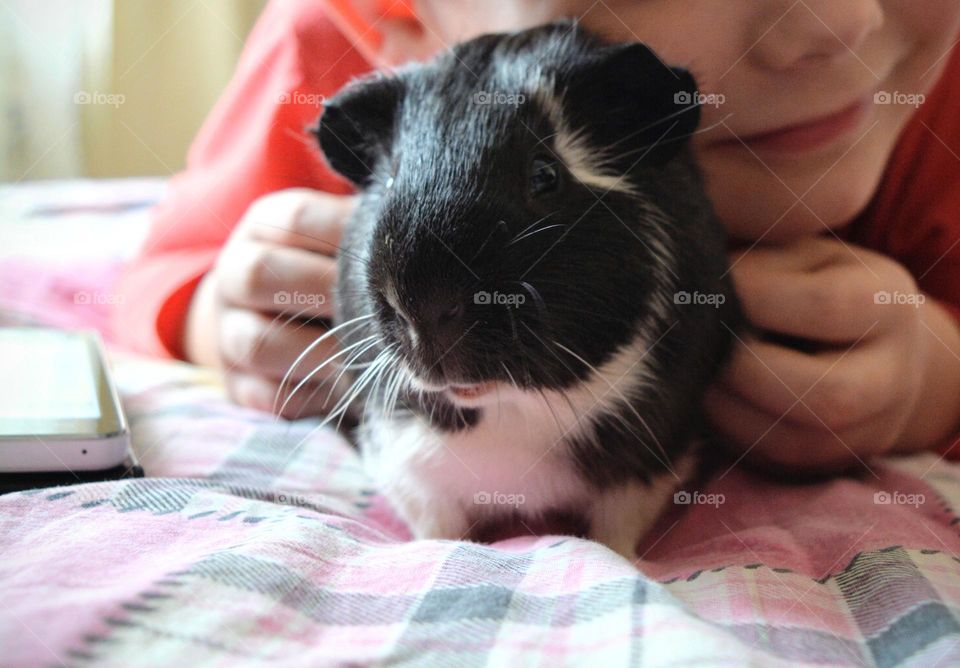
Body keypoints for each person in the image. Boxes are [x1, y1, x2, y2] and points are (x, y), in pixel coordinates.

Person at [112, 0, 960, 471]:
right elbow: (164, 272)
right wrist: (219, 313)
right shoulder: (337, 72)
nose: (841, 21)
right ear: (405, 19)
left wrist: (938, 377)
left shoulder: (930, 103)